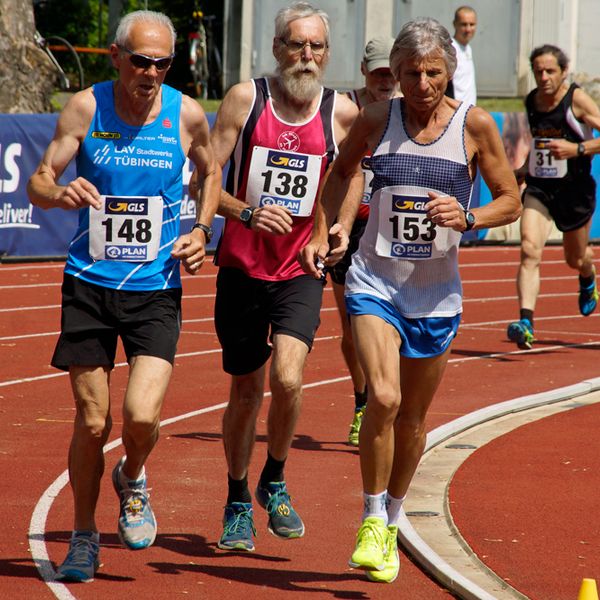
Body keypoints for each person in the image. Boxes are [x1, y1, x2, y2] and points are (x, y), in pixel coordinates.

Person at [300, 17, 521, 584]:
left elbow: (511, 201)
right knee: (386, 398)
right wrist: (327, 231)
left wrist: (468, 216)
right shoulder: (378, 117)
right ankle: (371, 518)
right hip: (374, 281)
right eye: (410, 73)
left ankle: (394, 520)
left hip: (436, 295)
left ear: (449, 71)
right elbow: (340, 171)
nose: (422, 84)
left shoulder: (474, 127)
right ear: (393, 75)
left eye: (432, 73)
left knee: (415, 421)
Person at [27, 10, 221, 582]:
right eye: (141, 61)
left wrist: (202, 230)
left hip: (156, 286)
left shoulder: (185, 115)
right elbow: (38, 180)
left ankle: (133, 475)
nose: (152, 72)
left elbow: (210, 174)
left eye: (163, 62)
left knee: (140, 415)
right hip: (88, 284)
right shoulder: (87, 107)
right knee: (92, 421)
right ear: (116, 58)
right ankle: (84, 536)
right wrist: (61, 194)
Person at [206, 1, 357, 553]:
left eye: (316, 46)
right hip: (243, 268)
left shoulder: (340, 111)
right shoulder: (246, 100)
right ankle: (238, 498)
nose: (307, 55)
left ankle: (275, 476)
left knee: (289, 378)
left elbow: (352, 172)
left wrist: (335, 227)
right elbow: (205, 179)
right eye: (297, 44)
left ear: (326, 53)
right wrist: (242, 212)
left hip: (300, 267)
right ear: (277, 49)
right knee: (246, 390)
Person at [330, 36, 400, 447]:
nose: (386, 81)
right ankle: (363, 400)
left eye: (392, 73)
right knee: (350, 325)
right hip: (349, 227)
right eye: (378, 74)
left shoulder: (408, 111)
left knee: (391, 319)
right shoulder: (344, 109)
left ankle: (385, 395)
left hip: (389, 229)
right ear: (364, 71)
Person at [507, 44, 600, 350]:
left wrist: (578, 149)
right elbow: (540, 143)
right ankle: (526, 322)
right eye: (538, 71)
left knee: (575, 258)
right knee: (529, 249)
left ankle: (588, 275)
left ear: (563, 72)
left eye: (550, 71)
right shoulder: (533, 100)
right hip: (540, 186)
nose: (543, 77)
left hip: (574, 190)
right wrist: (523, 169)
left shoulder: (577, 99)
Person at [446, 6, 477, 105]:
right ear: (454, 24)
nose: (468, 29)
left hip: (469, 110)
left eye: (472, 24)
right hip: (456, 110)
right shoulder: (450, 49)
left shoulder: (468, 48)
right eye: (464, 24)